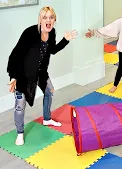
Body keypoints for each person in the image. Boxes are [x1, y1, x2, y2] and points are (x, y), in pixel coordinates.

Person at [6, 6, 78, 146]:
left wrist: (65, 39)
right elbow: (16, 55)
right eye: (45, 17)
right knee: (20, 105)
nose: (48, 20)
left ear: (54, 20)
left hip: (41, 72)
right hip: (23, 73)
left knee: (49, 91)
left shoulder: (52, 33)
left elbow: (52, 50)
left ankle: (46, 118)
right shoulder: (29, 33)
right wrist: (13, 76)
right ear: (40, 20)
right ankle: (20, 133)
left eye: (51, 17)